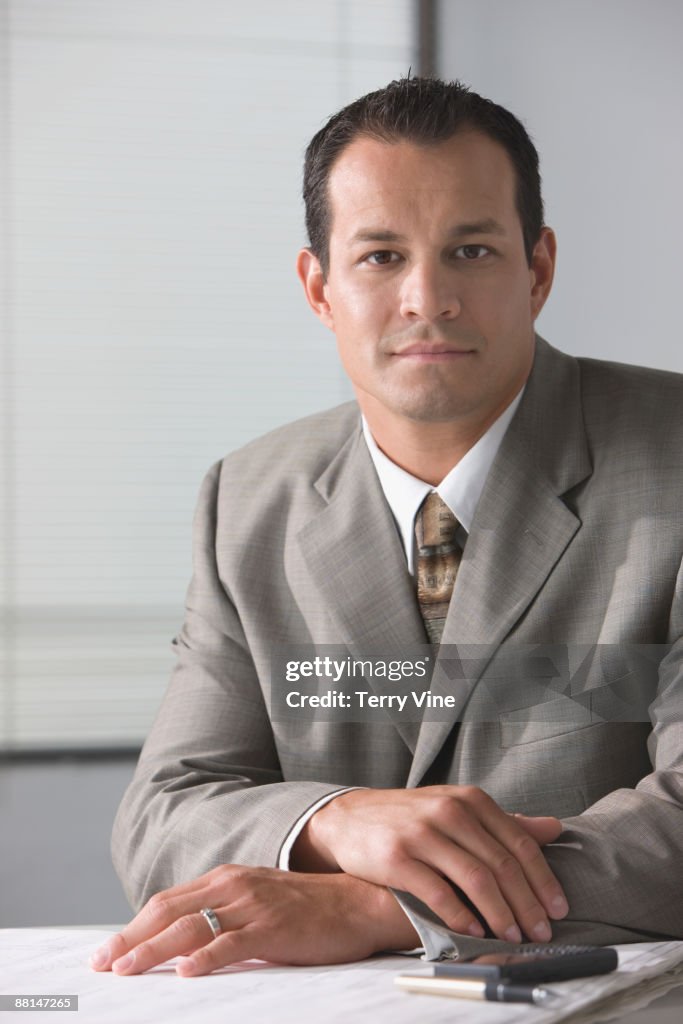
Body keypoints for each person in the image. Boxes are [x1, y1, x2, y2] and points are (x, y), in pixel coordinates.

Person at [93, 76, 683, 979]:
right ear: (318, 286)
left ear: (537, 270)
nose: (426, 298)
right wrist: (330, 821)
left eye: (471, 251)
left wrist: (382, 906)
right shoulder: (247, 498)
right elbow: (165, 813)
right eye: (378, 257)